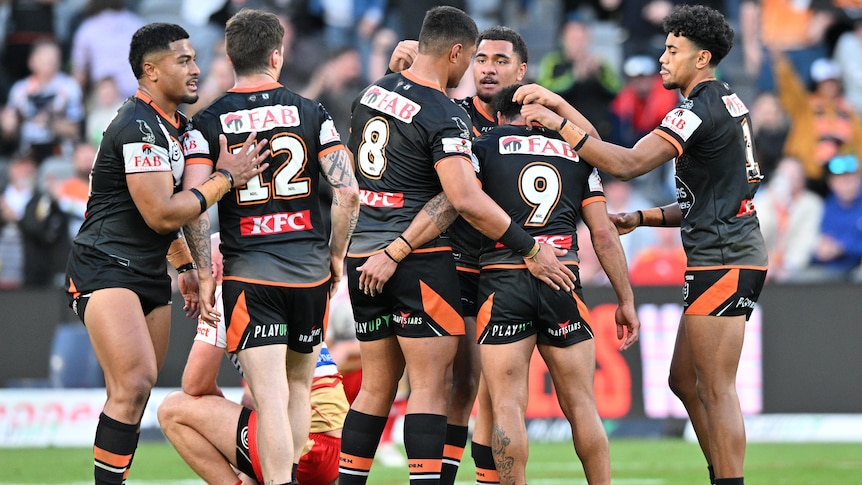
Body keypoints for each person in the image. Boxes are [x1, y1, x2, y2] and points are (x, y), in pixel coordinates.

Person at [520, 5, 768, 485]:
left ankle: (728, 480)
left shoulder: (695, 111)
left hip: (725, 260)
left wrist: (560, 126)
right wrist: (641, 217)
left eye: (673, 50)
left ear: (702, 58)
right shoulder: (729, 103)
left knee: (716, 389)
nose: (662, 58)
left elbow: (628, 164)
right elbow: (712, 200)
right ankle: (721, 472)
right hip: (726, 253)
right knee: (683, 382)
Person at [339, 7, 576, 485]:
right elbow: (461, 197)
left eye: (497, 61)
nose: (480, 69)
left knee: (396, 387)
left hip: (365, 253)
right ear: (457, 52)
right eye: (476, 57)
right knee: (438, 387)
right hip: (427, 259)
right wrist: (531, 248)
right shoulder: (449, 113)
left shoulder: (374, 91)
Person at [63, 22, 268, 485]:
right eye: (184, 60)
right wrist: (226, 178)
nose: (195, 69)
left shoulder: (179, 128)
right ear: (150, 71)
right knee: (132, 383)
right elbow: (159, 213)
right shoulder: (137, 124)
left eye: (195, 59)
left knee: (136, 391)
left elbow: (169, 219)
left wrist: (186, 266)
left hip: (149, 269)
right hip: (103, 265)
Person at [181, 9, 360, 485]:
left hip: (250, 273)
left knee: (270, 394)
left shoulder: (208, 121)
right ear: (276, 57)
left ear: (229, 56)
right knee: (298, 387)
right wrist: (337, 254)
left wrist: (202, 270)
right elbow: (348, 192)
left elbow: (195, 206)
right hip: (309, 272)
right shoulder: (312, 110)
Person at [474, 84, 640, 484]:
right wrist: (625, 299)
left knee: (507, 405)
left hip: (505, 278)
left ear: (499, 116)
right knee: (583, 404)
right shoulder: (579, 154)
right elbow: (603, 234)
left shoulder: (481, 146)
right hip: (563, 280)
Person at [158, 232, 349, 485]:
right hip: (336, 447)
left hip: (304, 447)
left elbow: (194, 385)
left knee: (173, 409)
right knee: (259, 406)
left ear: (213, 268)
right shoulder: (284, 282)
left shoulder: (225, 295)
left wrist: (218, 414)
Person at [0, 39, 84, 164]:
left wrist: (49, 122)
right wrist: (8, 125)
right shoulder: (19, 89)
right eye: (45, 58)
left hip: (59, 152)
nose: (50, 62)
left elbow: (76, 129)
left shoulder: (69, 87)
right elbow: (9, 133)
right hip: (25, 153)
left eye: (53, 59)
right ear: (32, 61)